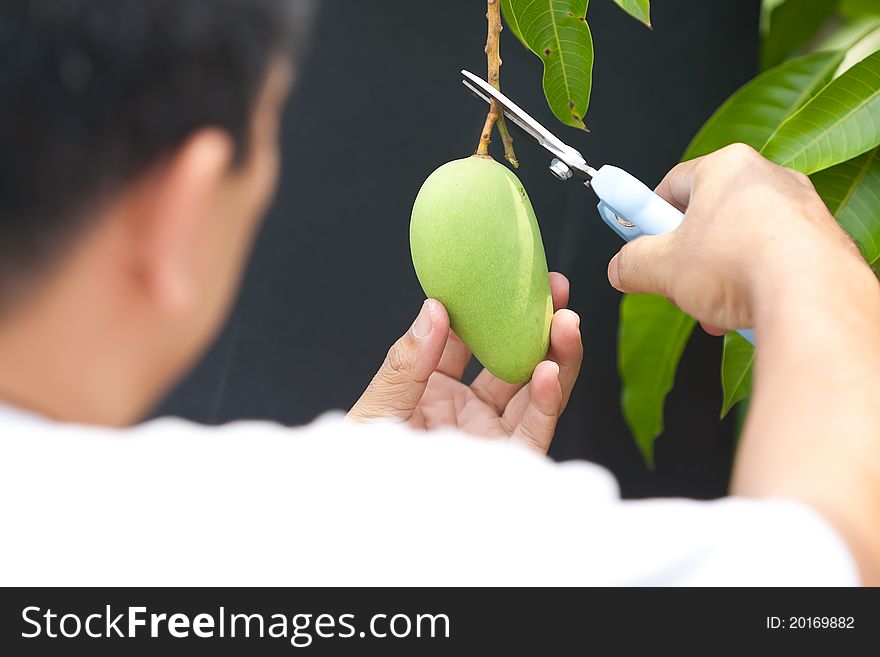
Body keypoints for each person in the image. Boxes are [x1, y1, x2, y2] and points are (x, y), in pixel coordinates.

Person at [0, 0, 876, 586]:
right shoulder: (397, 535)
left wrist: (364, 518)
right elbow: (825, 579)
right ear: (176, 211)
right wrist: (803, 255)